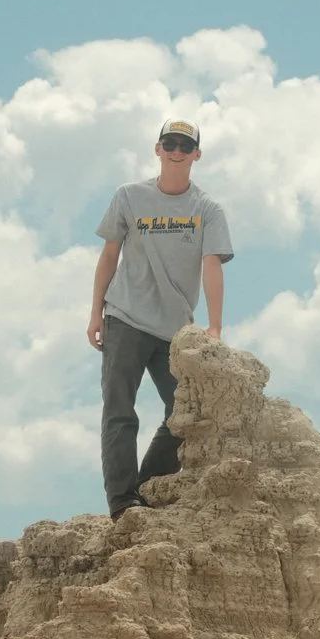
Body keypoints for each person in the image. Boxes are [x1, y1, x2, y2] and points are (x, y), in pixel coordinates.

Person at [86, 119, 234, 520]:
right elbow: (109, 254)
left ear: (196, 155)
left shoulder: (207, 209)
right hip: (125, 317)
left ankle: (149, 486)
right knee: (119, 410)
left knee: (185, 413)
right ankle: (122, 503)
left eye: (186, 146)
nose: (177, 151)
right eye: (170, 143)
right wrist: (96, 312)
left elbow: (212, 267)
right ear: (158, 148)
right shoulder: (129, 197)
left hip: (176, 330)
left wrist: (215, 326)